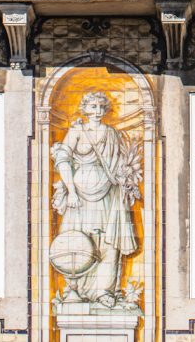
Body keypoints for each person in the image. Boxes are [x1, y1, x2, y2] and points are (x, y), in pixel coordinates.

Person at [51, 91, 139, 305]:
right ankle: (77, 289)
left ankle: (104, 291)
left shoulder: (111, 133)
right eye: (93, 107)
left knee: (109, 241)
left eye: (101, 107)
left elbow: (120, 162)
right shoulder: (77, 131)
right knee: (80, 237)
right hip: (80, 193)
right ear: (85, 108)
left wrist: (125, 180)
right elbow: (62, 159)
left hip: (107, 190)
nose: (97, 111)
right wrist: (71, 190)